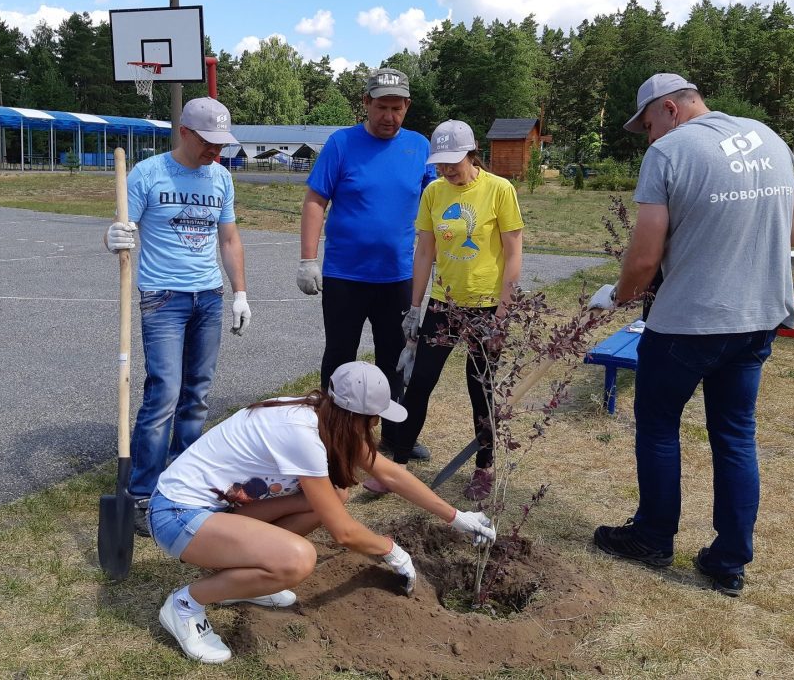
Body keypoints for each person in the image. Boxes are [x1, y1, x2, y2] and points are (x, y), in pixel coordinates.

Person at [588, 73, 794, 597]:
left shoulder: (669, 155)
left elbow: (643, 259)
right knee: (735, 434)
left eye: (647, 126)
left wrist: (616, 295)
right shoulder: (768, 138)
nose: (649, 138)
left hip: (690, 322)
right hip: (758, 319)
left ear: (669, 109)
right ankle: (728, 561)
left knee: (659, 424)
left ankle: (653, 537)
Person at [147, 361, 496, 664]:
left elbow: (389, 473)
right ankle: (185, 605)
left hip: (218, 513)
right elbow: (342, 532)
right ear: (358, 415)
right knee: (297, 559)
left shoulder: (324, 413)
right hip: (177, 515)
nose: (376, 424)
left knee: (335, 494)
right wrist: (390, 550)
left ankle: (244, 578)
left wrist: (456, 517)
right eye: (374, 417)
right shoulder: (300, 434)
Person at [104, 97, 252, 536]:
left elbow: (228, 239)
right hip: (163, 298)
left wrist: (240, 293)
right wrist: (112, 237)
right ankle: (143, 491)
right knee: (163, 392)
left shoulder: (222, 178)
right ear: (185, 132)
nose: (216, 152)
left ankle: (185, 483)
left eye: (222, 143)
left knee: (198, 395)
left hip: (208, 296)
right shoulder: (148, 174)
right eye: (209, 142)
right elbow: (123, 229)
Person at [363, 120, 523, 501]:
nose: (447, 169)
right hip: (443, 305)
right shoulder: (434, 192)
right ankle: (398, 464)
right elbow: (424, 251)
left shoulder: (500, 190)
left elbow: (514, 252)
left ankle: (484, 466)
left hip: (486, 307)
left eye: (454, 161)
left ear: (472, 153)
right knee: (419, 384)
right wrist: (415, 307)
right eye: (441, 163)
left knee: (480, 389)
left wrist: (503, 313)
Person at [298, 67, 436, 460]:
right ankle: (331, 439)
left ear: (407, 107)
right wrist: (309, 259)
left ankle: (395, 438)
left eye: (396, 108)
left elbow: (436, 202)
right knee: (340, 356)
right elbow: (314, 202)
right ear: (366, 104)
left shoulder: (419, 147)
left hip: (397, 277)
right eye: (381, 107)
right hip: (345, 276)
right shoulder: (341, 144)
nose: (388, 116)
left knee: (395, 358)